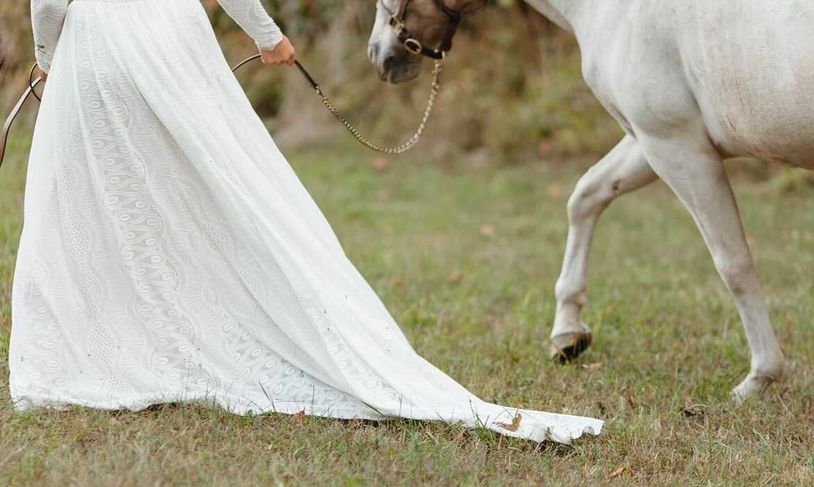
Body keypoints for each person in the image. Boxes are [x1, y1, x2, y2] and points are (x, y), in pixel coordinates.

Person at [10, 0, 602, 444]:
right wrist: (269, 38)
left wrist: (48, 56)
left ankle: (113, 342)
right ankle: (174, 325)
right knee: (210, 182)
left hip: (96, 40)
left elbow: (49, 2)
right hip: (170, 39)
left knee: (98, 196)